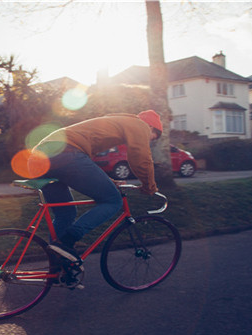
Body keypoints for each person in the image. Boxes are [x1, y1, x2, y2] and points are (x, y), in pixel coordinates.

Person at [30, 111, 162, 286]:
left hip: (38, 157)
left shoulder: (115, 122)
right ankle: (67, 241)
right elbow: (140, 156)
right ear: (151, 127)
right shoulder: (140, 125)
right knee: (113, 200)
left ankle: (59, 269)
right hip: (64, 153)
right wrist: (149, 186)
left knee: (65, 213)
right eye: (154, 137)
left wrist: (109, 182)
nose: (150, 139)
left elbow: (87, 167)